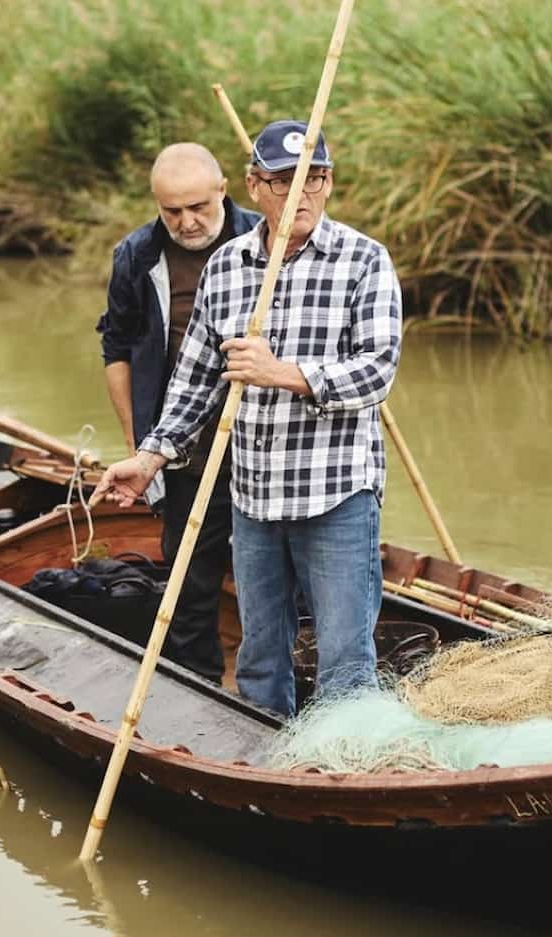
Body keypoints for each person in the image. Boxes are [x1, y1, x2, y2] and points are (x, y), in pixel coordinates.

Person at [93, 120, 403, 716]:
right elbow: (193, 384)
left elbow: (377, 373)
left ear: (330, 183)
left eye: (314, 179)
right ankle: (262, 748)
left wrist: (283, 373)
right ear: (255, 186)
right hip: (254, 499)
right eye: (283, 181)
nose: (301, 195)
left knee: (345, 660)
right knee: (259, 660)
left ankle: (341, 762)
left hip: (336, 495)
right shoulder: (227, 267)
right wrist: (149, 456)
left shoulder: (364, 260)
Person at [96, 142, 261, 684]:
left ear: (224, 191)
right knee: (190, 575)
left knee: (279, 570)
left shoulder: (267, 239)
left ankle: (278, 685)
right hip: (183, 446)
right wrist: (140, 446)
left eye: (198, 207)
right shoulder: (138, 255)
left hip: (267, 445)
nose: (187, 222)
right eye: (172, 211)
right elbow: (117, 348)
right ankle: (198, 686)